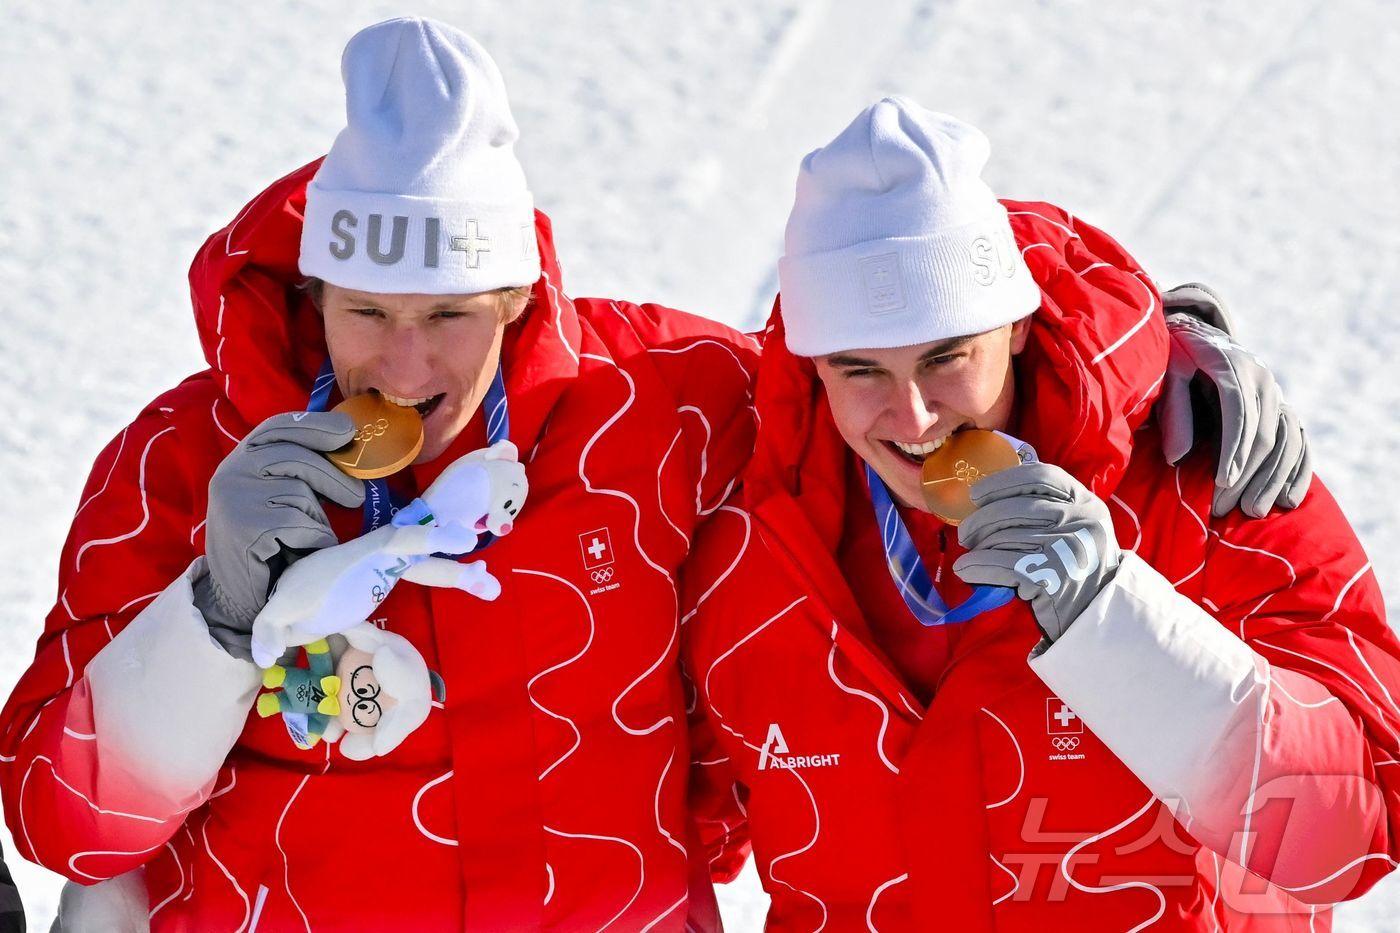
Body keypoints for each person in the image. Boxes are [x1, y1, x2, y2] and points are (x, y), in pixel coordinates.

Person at [0, 19, 1304, 933]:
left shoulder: (663, 405)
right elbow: (67, 827)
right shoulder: (188, 462)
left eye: (448, 314)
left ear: (518, 295)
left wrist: (1144, 352)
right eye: (366, 313)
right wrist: (215, 615)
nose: (402, 363)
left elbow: (897, 323)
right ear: (313, 291)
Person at [681, 98, 1397, 931]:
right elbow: (657, 820)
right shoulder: (747, 525)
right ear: (811, 362)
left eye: (947, 357)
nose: (914, 416)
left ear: (1018, 324)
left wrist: (1117, 623)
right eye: (860, 370)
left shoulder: (1201, 473)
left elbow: (1352, 831)